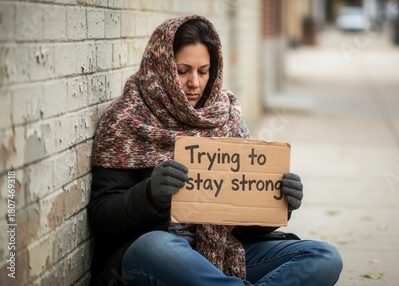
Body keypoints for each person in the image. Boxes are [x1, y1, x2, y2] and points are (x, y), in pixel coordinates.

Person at [87, 14, 343, 286]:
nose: (194, 83)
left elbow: (243, 218)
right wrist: (149, 195)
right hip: (158, 258)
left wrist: (278, 201)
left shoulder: (227, 118)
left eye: (203, 71)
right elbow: (102, 216)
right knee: (154, 245)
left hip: (224, 254)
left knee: (324, 257)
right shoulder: (126, 121)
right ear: (161, 67)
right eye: (182, 71)